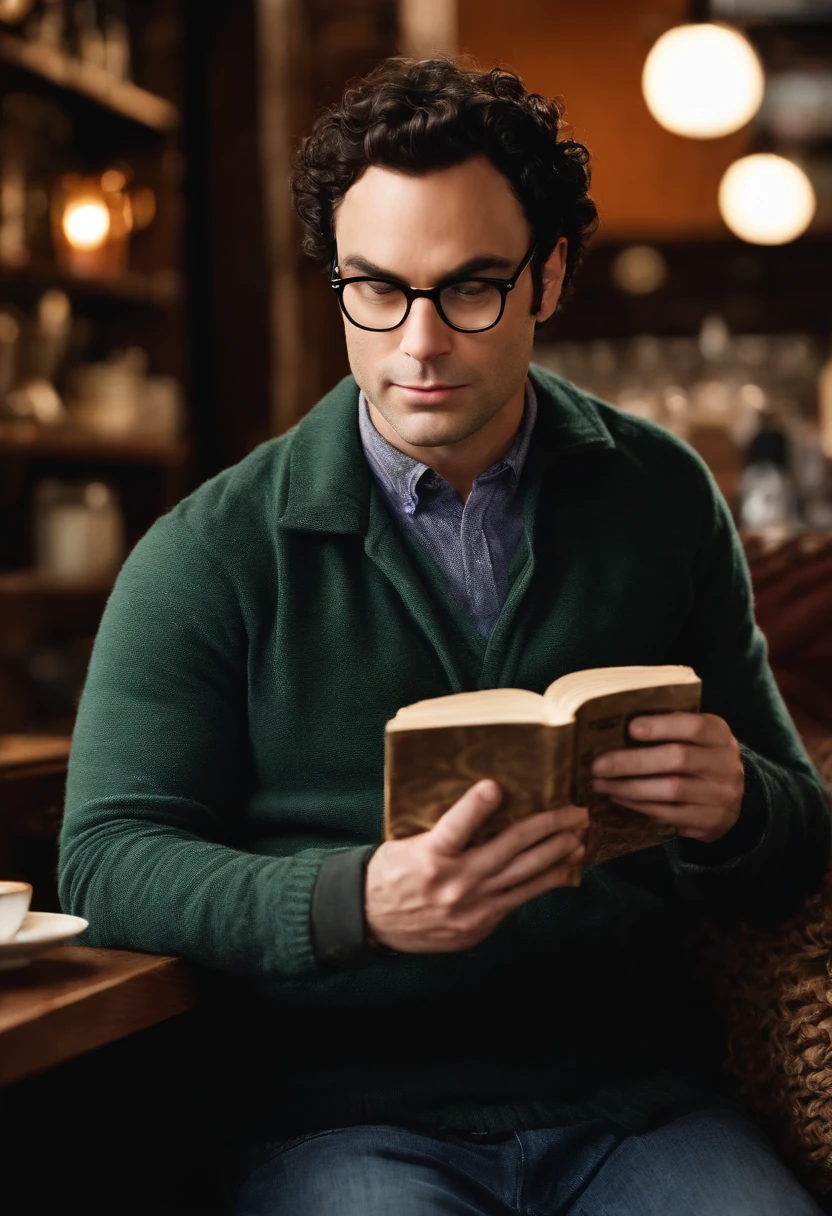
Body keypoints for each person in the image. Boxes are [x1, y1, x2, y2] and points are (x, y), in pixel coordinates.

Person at [58, 58, 831, 1215]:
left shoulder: (659, 494)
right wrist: (359, 902)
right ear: (337, 282)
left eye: (469, 288)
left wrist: (738, 806)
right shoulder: (209, 550)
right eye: (375, 288)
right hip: (335, 1118)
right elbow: (106, 861)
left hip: (634, 1104)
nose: (416, 343)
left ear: (548, 277)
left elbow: (799, 834)